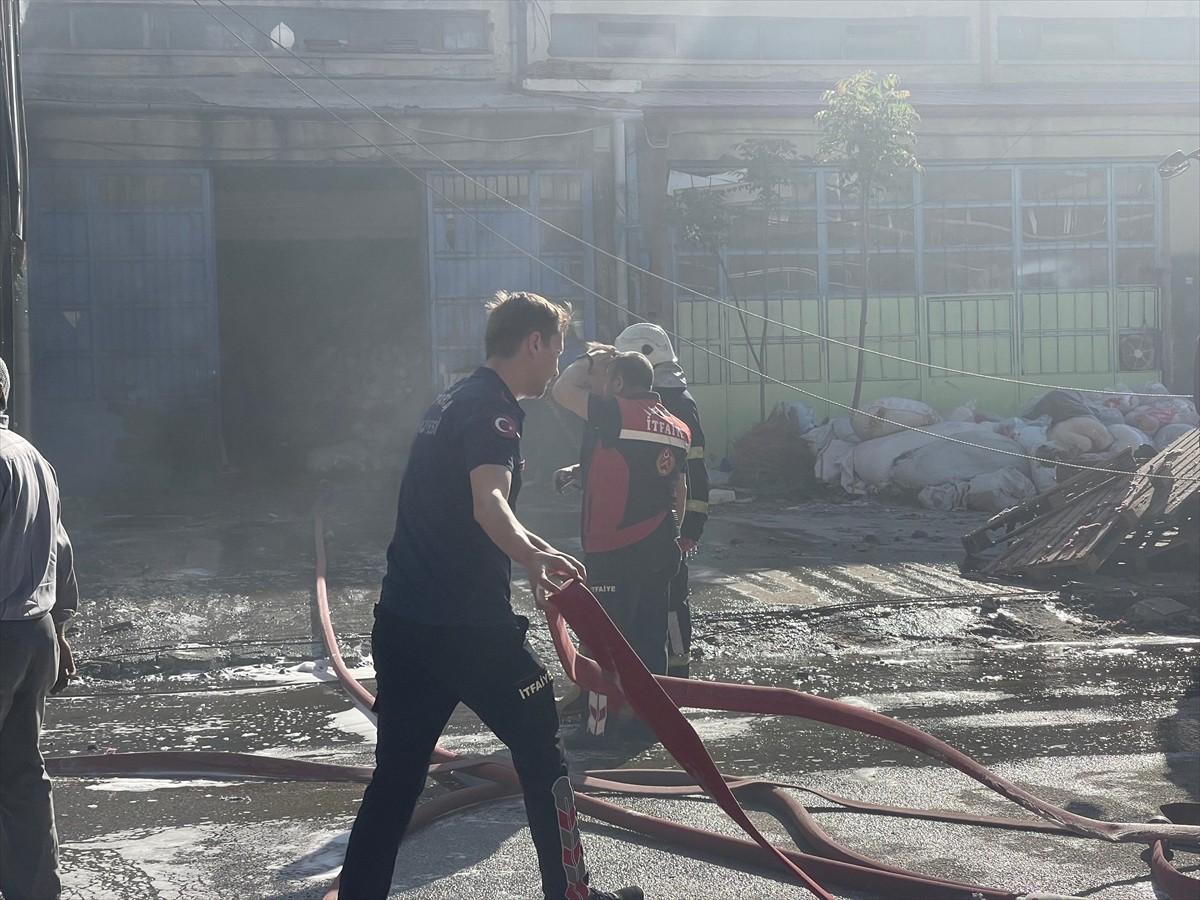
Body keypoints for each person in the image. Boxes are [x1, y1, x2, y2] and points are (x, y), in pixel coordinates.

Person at [333, 293, 642, 900]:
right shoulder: (493, 412)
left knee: (397, 776)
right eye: (556, 347)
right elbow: (488, 502)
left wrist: (530, 552)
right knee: (542, 749)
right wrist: (533, 555)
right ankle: (570, 892)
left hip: (404, 621)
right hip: (468, 629)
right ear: (534, 342)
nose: (558, 363)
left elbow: (471, 509)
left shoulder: (455, 398)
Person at [552, 348, 690, 742]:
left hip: (617, 548)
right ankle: (646, 721)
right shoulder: (677, 427)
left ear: (616, 383)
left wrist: (588, 360)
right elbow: (670, 483)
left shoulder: (616, 412)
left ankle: (602, 728)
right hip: (662, 543)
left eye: (606, 378)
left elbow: (562, 390)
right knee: (649, 636)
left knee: (604, 641)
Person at [0, 356, 79, 900]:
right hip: (35, 632)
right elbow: (61, 546)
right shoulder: (34, 458)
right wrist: (62, 628)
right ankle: (35, 890)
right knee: (23, 774)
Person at [613, 324, 709, 679]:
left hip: (666, 523)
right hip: (642, 523)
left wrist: (691, 528)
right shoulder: (643, 403)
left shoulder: (677, 404)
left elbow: (694, 471)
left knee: (670, 602)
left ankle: (676, 678)